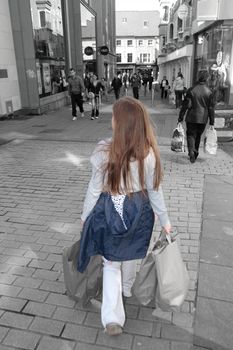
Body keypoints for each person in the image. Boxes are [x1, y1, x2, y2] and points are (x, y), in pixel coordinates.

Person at [80, 96, 171, 335]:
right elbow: (155, 190)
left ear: (121, 124)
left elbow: (94, 188)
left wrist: (85, 215)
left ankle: (112, 318)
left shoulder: (104, 151)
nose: (110, 120)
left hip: (112, 210)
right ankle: (127, 288)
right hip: (139, 211)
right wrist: (166, 221)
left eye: (113, 117)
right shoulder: (148, 153)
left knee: (111, 260)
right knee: (130, 252)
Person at [178, 69, 215, 163]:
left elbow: (185, 105)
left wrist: (180, 117)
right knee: (198, 135)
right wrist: (212, 121)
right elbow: (211, 108)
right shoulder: (209, 92)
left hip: (191, 116)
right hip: (203, 118)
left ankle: (191, 151)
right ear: (207, 78)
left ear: (198, 77)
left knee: (190, 134)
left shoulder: (191, 90)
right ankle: (195, 152)